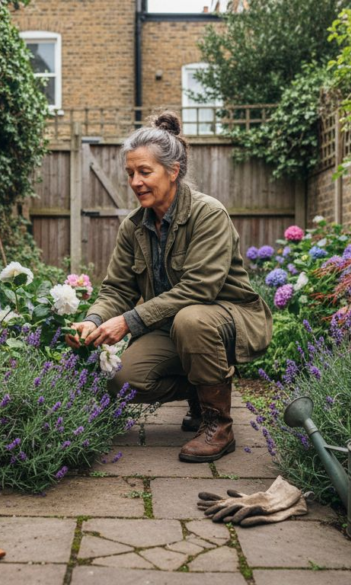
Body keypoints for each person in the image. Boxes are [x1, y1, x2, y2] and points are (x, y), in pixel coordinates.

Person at [67, 112, 272, 463]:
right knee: (122, 379)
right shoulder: (134, 227)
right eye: (130, 173)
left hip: (229, 320)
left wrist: (128, 322)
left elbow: (198, 290)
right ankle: (201, 386)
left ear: (173, 171)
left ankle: (217, 424)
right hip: (172, 327)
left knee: (192, 319)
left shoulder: (208, 214)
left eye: (145, 172)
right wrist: (94, 318)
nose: (135, 181)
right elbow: (117, 287)